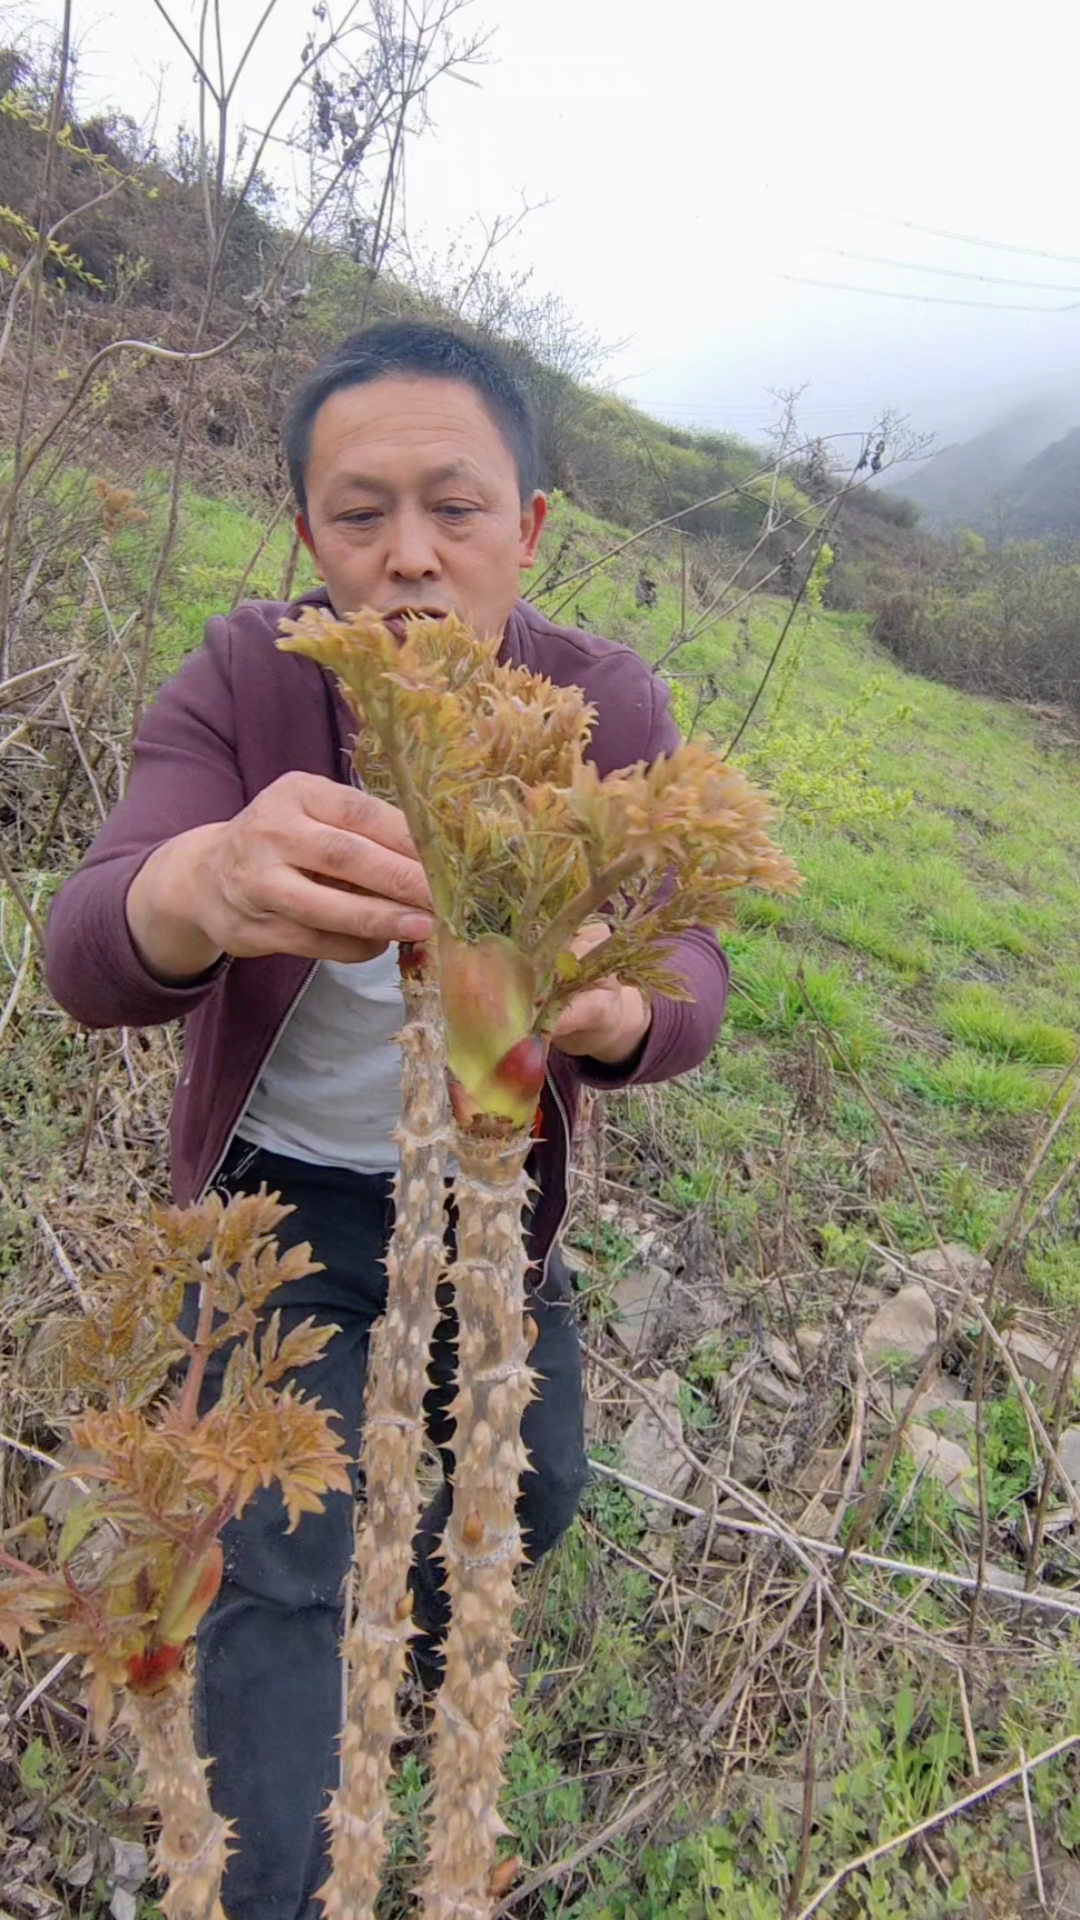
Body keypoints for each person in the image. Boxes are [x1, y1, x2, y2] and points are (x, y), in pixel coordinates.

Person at [44, 320, 729, 1920]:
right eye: (360, 515)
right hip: (275, 1203)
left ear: (529, 526)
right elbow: (92, 941)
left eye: (455, 508)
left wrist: (618, 1007)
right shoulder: (249, 677)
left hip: (489, 1201)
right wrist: (204, 885)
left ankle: (397, 1658)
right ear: (307, 533)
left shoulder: (601, 700)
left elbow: (691, 953)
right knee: (278, 1565)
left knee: (533, 1492)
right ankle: (278, 1875)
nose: (409, 555)